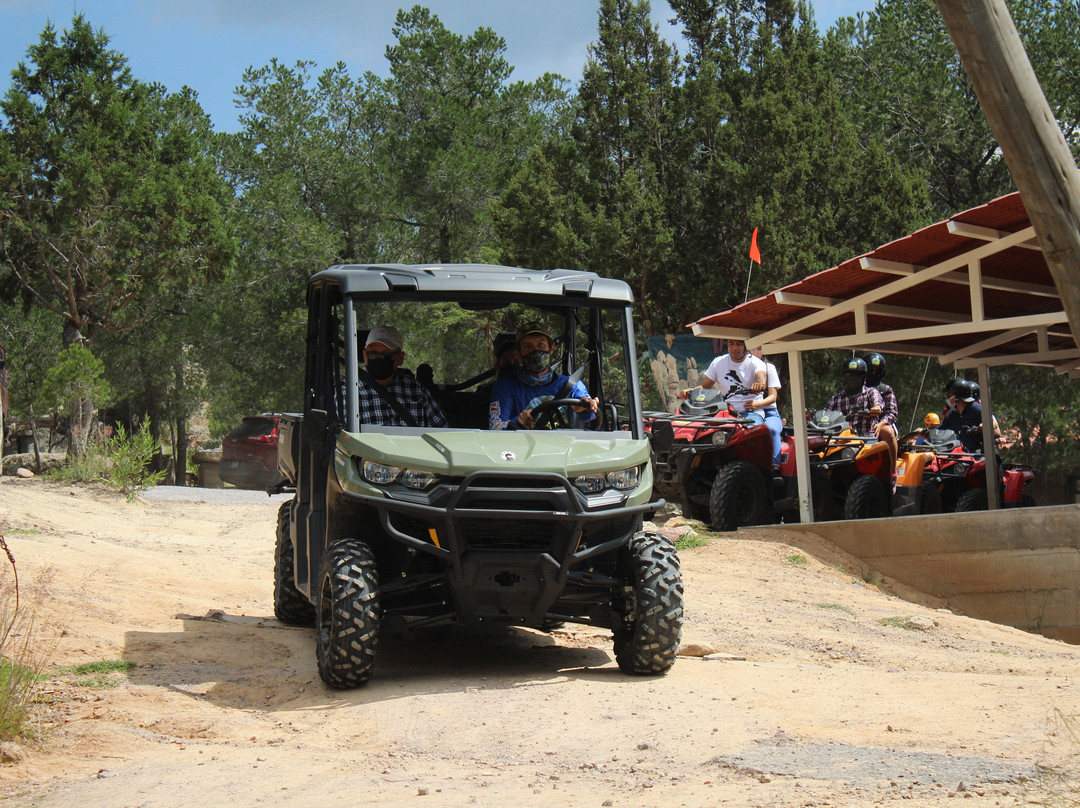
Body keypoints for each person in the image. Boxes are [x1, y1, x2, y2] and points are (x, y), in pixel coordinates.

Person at [489, 322, 599, 430]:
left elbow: (591, 416)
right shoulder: (505, 386)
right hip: (522, 446)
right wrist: (517, 422)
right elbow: (495, 427)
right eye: (528, 346)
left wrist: (586, 407)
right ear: (519, 352)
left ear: (551, 348)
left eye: (541, 345)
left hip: (563, 446)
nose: (535, 351)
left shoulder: (572, 385)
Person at [356, 326, 447, 427]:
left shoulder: (417, 391)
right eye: (373, 353)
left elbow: (441, 433)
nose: (379, 358)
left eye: (386, 354)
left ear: (400, 358)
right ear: (365, 356)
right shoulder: (347, 393)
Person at [678, 338, 768, 421]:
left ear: (746, 346)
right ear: (727, 344)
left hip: (751, 413)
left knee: (751, 433)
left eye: (739, 344)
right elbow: (704, 387)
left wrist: (759, 385)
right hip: (723, 411)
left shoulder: (756, 363)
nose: (735, 348)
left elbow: (761, 379)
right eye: (731, 344)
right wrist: (691, 391)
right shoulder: (718, 362)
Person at [825, 357, 885, 440]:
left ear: (863, 376)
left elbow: (877, 405)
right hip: (841, 441)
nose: (852, 378)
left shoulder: (871, 392)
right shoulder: (835, 399)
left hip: (866, 439)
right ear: (845, 377)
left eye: (857, 375)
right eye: (849, 375)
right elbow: (826, 417)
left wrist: (875, 409)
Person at [748, 346, 784, 469]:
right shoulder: (742, 368)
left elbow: (773, 397)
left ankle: (775, 466)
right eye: (752, 349)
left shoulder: (769, 368)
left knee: (772, 430)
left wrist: (756, 404)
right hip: (747, 411)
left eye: (759, 349)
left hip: (768, 411)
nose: (755, 352)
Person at [862, 352, 899, 469]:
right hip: (859, 424)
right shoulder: (856, 388)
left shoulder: (885, 389)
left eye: (876, 370)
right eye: (870, 369)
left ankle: (892, 471)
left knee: (887, 431)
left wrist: (880, 424)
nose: (873, 372)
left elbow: (892, 413)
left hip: (880, 424)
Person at [942, 378, 998, 451]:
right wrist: (927, 431)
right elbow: (940, 430)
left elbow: (994, 426)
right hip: (957, 454)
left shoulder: (977, 409)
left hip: (978, 454)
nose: (947, 398)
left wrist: (984, 426)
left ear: (957, 396)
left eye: (949, 395)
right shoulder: (952, 413)